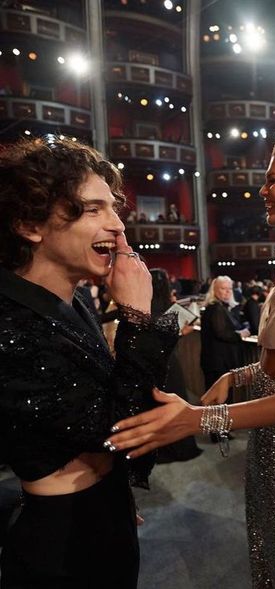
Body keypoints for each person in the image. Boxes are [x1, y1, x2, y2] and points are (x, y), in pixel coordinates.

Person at [105, 123, 275, 588]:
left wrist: (200, 420)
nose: (262, 189)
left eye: (273, 179)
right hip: (274, 436)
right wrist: (238, 373)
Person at [0, 136, 179, 589]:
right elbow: (119, 427)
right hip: (60, 543)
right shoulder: (9, 323)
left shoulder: (73, 300)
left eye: (114, 208)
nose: (119, 225)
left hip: (102, 513)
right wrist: (137, 316)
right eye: (94, 209)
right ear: (28, 223)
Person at [149, 268, 202, 463]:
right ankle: (179, 447)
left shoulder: (146, 306)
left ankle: (162, 448)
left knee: (159, 404)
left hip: (154, 362)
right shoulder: (165, 307)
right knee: (175, 401)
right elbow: (166, 337)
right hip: (169, 361)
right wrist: (181, 332)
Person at [200, 276, 250, 392]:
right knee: (219, 400)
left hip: (217, 361)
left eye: (230, 288)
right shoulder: (216, 308)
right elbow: (221, 333)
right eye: (223, 288)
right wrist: (240, 334)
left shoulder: (221, 307)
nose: (228, 292)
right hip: (217, 363)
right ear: (214, 290)